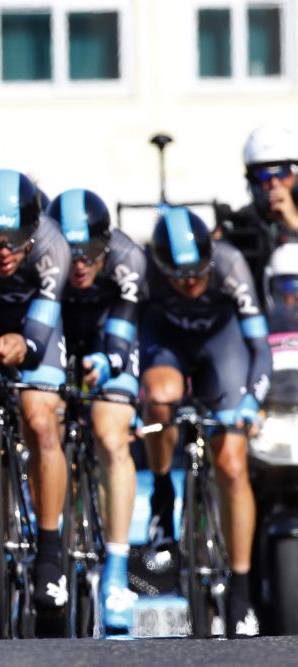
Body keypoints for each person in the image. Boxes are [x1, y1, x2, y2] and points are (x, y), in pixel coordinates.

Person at [141, 206, 270, 638]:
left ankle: (240, 589)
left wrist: (251, 401)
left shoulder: (230, 264)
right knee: (159, 400)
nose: (190, 283)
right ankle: (162, 490)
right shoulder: (145, 272)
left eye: (197, 273)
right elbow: (126, 333)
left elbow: (259, 346)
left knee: (231, 465)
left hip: (223, 347)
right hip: (167, 344)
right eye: (178, 277)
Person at [0, 169, 72, 615]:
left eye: (16, 238)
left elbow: (44, 318)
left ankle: (49, 551)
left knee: (41, 418)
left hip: (32, 330)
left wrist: (25, 344)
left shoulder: (51, 243)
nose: (4, 250)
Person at [47, 189, 145, 634]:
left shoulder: (128, 258)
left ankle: (117, 574)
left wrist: (109, 363)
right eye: (71, 253)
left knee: (109, 433)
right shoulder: (43, 256)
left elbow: (123, 332)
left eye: (90, 252)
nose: (80, 263)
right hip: (55, 336)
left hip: (110, 342)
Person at [217, 124, 298, 300]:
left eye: (283, 172)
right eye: (264, 175)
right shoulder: (239, 225)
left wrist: (293, 221)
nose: (275, 184)